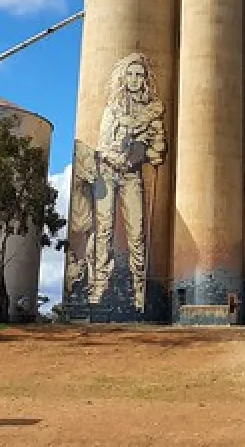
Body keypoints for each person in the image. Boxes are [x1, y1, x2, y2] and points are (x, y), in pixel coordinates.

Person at [89, 53, 166, 313]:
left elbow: (158, 146)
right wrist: (118, 154)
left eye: (140, 75)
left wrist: (154, 150)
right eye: (131, 74)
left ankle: (139, 290)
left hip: (132, 174)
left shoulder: (153, 110)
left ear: (145, 80)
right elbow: (102, 146)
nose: (135, 80)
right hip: (107, 172)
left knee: (137, 233)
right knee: (104, 230)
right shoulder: (113, 108)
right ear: (124, 78)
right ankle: (99, 286)